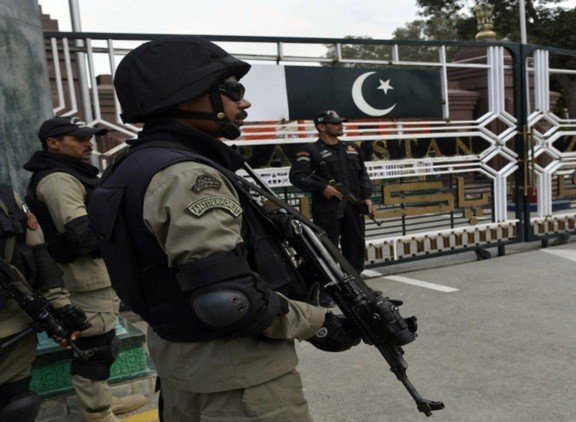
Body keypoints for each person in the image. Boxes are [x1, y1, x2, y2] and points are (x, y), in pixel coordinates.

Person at [87, 36, 360, 421]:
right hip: (239, 384)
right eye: (233, 91)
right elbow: (228, 302)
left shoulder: (133, 165)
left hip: (184, 367)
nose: (243, 103)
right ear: (186, 98)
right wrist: (319, 323)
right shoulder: (188, 176)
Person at [23, 117, 147, 421]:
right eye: (78, 138)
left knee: (104, 343)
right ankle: (98, 413)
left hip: (94, 275)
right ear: (53, 143)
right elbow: (81, 236)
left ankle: (103, 402)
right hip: (81, 279)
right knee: (93, 349)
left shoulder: (72, 174)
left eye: (88, 137)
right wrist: (121, 230)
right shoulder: (58, 179)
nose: (87, 143)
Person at [0, 184, 87, 422]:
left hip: (12, 335)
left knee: (16, 406)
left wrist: (61, 306)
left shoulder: (6, 197)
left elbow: (37, 251)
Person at [289, 110, 374, 306]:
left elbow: (363, 175)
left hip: (354, 207)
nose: (339, 125)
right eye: (334, 123)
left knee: (355, 248)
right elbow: (297, 176)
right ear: (321, 126)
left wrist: (367, 197)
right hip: (327, 210)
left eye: (340, 122)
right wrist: (322, 187)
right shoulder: (310, 150)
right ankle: (327, 292)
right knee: (327, 250)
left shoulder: (352, 148)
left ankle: (356, 289)